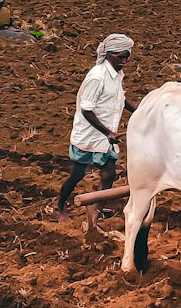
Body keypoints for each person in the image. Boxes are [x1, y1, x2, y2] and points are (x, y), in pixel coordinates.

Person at [54, 33, 138, 225]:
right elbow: (86, 109)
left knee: (109, 173)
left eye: (127, 56)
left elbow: (120, 98)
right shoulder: (97, 77)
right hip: (90, 134)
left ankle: (96, 211)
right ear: (108, 54)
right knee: (77, 174)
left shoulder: (116, 74)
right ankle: (59, 207)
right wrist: (107, 132)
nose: (124, 61)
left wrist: (138, 111)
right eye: (120, 56)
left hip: (106, 136)